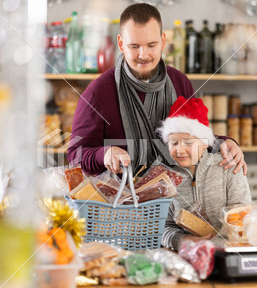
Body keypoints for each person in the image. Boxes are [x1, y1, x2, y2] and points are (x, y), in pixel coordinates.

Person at [67, 3, 246, 176]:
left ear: (163, 41)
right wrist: (104, 154)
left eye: (151, 45)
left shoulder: (179, 81)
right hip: (119, 201)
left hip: (176, 199)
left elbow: (195, 139)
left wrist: (225, 142)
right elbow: (75, 155)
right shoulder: (98, 92)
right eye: (134, 46)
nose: (143, 55)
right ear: (121, 44)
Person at [157, 96, 251, 251]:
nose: (179, 150)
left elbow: (244, 216)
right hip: (185, 256)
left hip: (229, 251)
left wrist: (217, 242)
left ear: (204, 142)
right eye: (174, 143)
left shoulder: (229, 167)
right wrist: (183, 240)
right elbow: (162, 228)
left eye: (188, 143)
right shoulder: (165, 178)